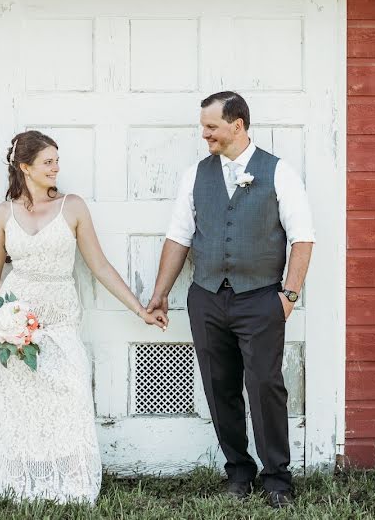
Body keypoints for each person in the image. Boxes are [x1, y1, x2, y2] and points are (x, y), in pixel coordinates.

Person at [0, 130, 167, 504]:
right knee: (22, 403)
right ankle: (22, 479)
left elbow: (100, 266)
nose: (56, 168)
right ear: (24, 167)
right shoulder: (4, 213)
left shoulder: (73, 207)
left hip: (60, 317)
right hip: (18, 318)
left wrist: (139, 309)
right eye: (48, 162)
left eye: (57, 161)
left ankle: (69, 480)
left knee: (69, 395)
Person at [146, 91, 315, 509]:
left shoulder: (279, 173)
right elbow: (179, 236)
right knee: (219, 388)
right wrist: (161, 293)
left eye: (211, 127)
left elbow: (303, 237)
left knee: (264, 388)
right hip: (207, 298)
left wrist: (288, 295)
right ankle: (238, 471)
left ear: (236, 125)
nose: (204, 134)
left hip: (260, 299)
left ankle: (277, 478)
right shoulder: (195, 175)